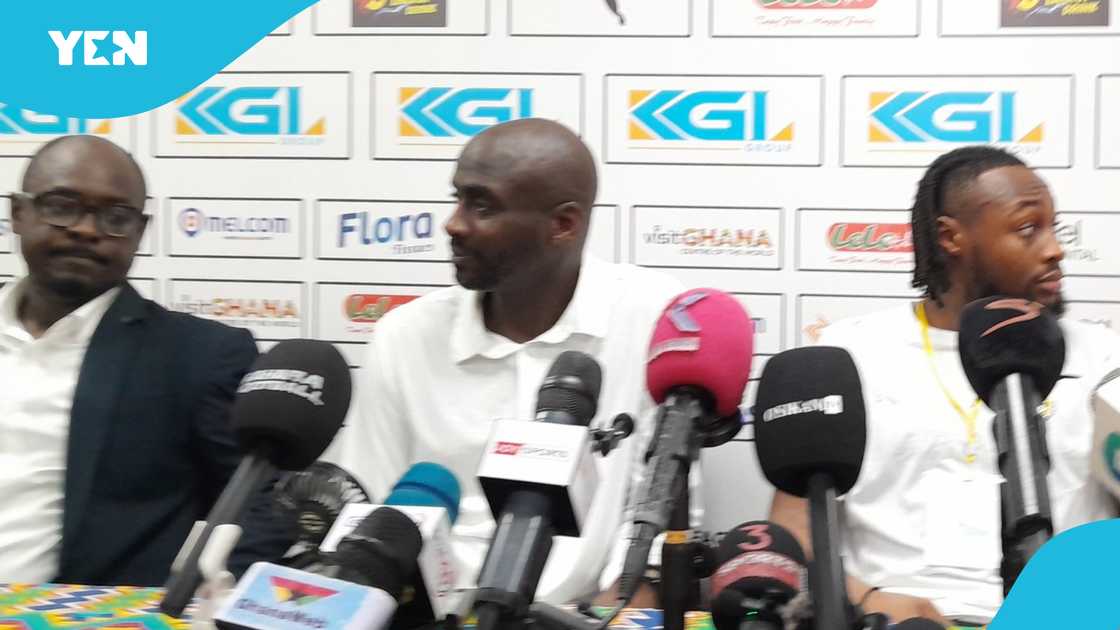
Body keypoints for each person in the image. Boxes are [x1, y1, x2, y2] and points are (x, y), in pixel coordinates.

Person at [770, 145, 1120, 626]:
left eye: (1053, 229)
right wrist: (866, 598)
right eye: (1027, 229)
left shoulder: (1105, 357)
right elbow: (791, 535)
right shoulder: (847, 354)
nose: (1055, 248)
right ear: (951, 237)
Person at [338, 119, 683, 604]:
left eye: (482, 205)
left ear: (563, 225)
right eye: (457, 199)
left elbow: (655, 549)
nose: (453, 223)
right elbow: (366, 522)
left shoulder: (655, 320)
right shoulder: (404, 335)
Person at [0, 135, 288, 586]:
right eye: (61, 206)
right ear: (18, 213)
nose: (86, 230)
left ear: (140, 231)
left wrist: (187, 608)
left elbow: (256, 509)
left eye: (115, 217)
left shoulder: (199, 356)